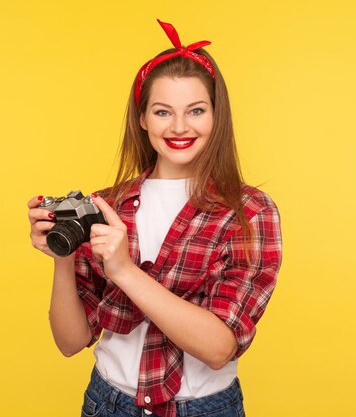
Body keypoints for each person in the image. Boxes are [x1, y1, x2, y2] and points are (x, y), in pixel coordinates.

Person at [27, 19, 282, 417]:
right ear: (142, 118)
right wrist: (63, 253)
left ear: (217, 117)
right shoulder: (109, 207)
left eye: (195, 110)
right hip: (108, 404)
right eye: (163, 112)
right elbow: (69, 342)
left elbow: (219, 348)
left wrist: (124, 269)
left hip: (203, 409)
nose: (179, 127)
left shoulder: (248, 212)